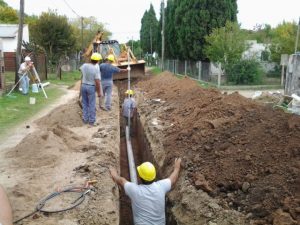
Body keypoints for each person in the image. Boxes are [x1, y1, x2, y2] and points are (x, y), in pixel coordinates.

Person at [110, 158, 182, 225]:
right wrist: (177, 168)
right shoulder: (161, 186)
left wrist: (114, 174)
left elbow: (122, 181)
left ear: (140, 177)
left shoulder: (135, 190)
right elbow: (172, 179)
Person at [80, 52, 102, 126]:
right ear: (98, 61)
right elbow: (97, 82)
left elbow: (81, 74)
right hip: (91, 87)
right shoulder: (96, 69)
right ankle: (92, 121)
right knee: (91, 104)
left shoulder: (84, 65)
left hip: (83, 86)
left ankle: (85, 119)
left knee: (85, 103)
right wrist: (99, 92)